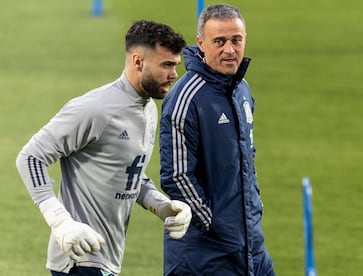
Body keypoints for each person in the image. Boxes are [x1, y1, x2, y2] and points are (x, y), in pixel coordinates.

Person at [16, 19, 191, 276]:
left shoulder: (149, 109)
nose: (174, 74)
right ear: (138, 61)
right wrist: (61, 223)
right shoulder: (95, 108)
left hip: (105, 260)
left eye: (175, 65)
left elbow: (130, 172)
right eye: (166, 65)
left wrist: (161, 206)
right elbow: (30, 157)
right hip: (78, 259)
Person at [159, 3, 276, 276]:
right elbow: (176, 176)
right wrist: (214, 222)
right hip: (204, 255)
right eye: (219, 41)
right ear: (201, 43)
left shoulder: (241, 89)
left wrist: (252, 208)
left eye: (236, 40)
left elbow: (247, 156)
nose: (230, 50)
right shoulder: (185, 99)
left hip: (250, 245)